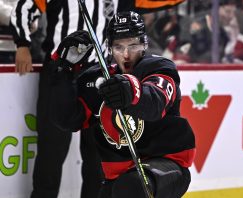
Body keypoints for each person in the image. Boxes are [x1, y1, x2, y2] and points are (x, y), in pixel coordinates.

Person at [48, 11, 196, 198]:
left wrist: (130, 90)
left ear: (144, 44)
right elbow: (67, 120)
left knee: (131, 187)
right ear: (109, 48)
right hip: (119, 175)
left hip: (166, 165)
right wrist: (63, 71)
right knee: (123, 187)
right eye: (118, 47)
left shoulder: (160, 68)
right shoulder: (96, 79)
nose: (126, 54)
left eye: (133, 45)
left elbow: (155, 103)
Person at [9, 0, 120, 197]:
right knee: (52, 148)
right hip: (60, 71)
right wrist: (22, 44)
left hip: (99, 74)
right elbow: (23, 8)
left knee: (97, 154)